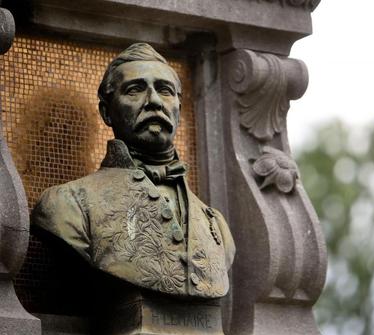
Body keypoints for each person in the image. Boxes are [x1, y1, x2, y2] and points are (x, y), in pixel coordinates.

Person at [32, 43, 235, 299]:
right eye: (135, 90)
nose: (154, 101)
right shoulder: (66, 206)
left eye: (165, 90)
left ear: (179, 111)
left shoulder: (217, 226)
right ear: (107, 112)